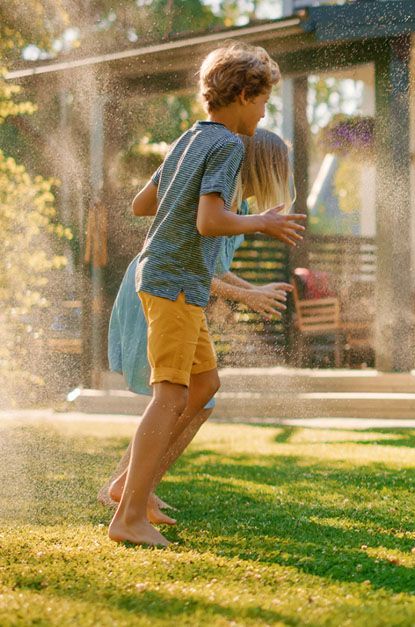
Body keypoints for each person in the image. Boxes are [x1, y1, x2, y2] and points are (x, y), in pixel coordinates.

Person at [107, 42, 304, 546]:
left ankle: (129, 489)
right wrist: (261, 222)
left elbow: (141, 203)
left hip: (176, 280)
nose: (263, 113)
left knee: (205, 384)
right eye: (262, 102)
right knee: (170, 395)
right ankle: (129, 515)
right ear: (242, 95)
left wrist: (179, 210)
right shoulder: (230, 146)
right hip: (171, 283)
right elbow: (210, 220)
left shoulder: (188, 139)